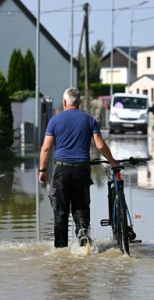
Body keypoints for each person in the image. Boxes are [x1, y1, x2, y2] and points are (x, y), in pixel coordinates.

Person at [38, 87, 118, 248]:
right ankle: (82, 232)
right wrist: (113, 162)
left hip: (62, 170)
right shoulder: (89, 120)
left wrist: (42, 170)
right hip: (82, 169)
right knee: (80, 206)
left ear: (64, 102)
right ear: (80, 102)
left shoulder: (54, 120)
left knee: (60, 212)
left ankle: (60, 250)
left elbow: (46, 148)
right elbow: (100, 145)